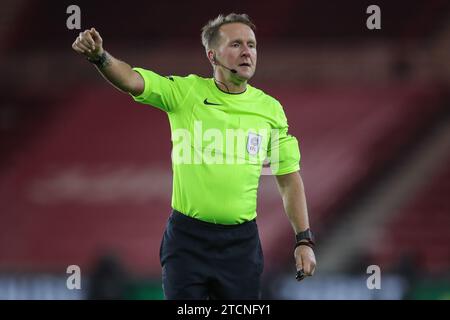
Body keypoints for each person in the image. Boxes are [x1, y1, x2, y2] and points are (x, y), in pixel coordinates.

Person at [72, 13, 316, 300]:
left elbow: (288, 179)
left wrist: (304, 240)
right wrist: (100, 57)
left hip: (241, 245)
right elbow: (132, 80)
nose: (247, 51)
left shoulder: (270, 110)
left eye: (251, 44)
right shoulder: (185, 93)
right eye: (236, 44)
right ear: (212, 55)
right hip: (188, 241)